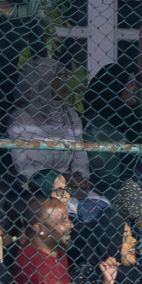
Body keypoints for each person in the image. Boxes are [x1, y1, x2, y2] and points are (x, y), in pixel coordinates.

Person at [7, 56, 88, 187]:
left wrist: (79, 174)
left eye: (66, 78)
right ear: (43, 80)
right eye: (60, 78)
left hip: (70, 185)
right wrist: (58, 180)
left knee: (99, 203)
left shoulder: (70, 115)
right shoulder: (22, 117)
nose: (65, 83)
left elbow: (80, 156)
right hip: (35, 186)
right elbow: (22, 166)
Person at [81, 59, 142, 201]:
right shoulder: (94, 123)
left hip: (139, 185)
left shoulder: (132, 119)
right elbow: (107, 173)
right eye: (131, 83)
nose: (135, 89)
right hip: (113, 190)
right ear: (115, 87)